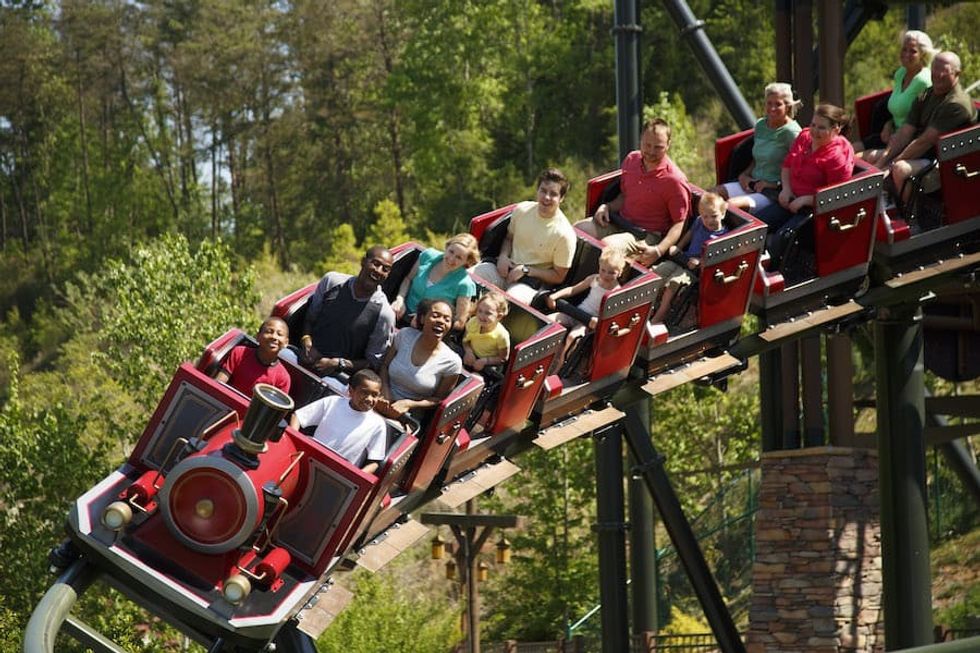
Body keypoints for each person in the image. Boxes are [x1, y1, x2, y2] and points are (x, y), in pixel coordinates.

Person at [575, 118, 691, 267]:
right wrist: (607, 207)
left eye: (658, 147)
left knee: (607, 249)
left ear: (668, 145)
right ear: (640, 140)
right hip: (621, 222)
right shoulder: (632, 160)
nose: (650, 151)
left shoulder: (675, 180)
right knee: (578, 231)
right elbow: (625, 196)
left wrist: (658, 251)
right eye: (647, 145)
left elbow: (679, 223)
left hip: (646, 235)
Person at [874, 51, 976, 203]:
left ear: (957, 73)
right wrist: (880, 164)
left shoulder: (956, 104)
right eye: (935, 68)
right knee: (873, 157)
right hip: (922, 153)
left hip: (943, 162)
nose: (938, 74)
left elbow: (925, 142)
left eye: (944, 70)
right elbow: (905, 131)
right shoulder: (928, 94)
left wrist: (891, 164)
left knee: (900, 169)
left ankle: (910, 217)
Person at [283, 246, 396, 377]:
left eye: (385, 269)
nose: (379, 271)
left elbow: (372, 362)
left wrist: (338, 364)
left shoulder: (384, 314)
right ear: (363, 261)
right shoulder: (331, 281)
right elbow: (309, 318)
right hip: (305, 357)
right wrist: (306, 341)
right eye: (376, 264)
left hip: (338, 378)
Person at [471, 168, 576, 305]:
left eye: (553, 194)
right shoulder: (522, 210)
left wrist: (526, 271)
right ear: (537, 191)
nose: (547, 198)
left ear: (561, 198)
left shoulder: (565, 234)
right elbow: (509, 238)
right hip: (504, 270)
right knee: (469, 278)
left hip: (530, 284)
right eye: (543, 191)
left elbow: (558, 276)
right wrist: (503, 256)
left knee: (509, 302)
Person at [755, 104, 855, 236]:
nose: (814, 131)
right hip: (790, 198)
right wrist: (786, 189)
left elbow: (835, 196)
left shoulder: (836, 158)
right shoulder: (804, 137)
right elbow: (787, 165)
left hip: (813, 211)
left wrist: (806, 200)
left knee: (782, 239)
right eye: (813, 125)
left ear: (835, 130)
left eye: (821, 128)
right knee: (758, 225)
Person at [714, 83, 803, 212]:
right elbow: (757, 158)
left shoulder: (792, 133)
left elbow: (799, 169)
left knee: (729, 207)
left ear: (788, 106)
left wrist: (773, 185)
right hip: (752, 183)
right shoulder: (761, 125)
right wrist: (744, 175)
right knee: (711, 197)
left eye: (778, 104)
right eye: (769, 103)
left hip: (771, 192)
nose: (772, 108)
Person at [649, 192, 729, 324]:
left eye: (714, 216)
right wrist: (678, 247)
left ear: (723, 214)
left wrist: (700, 262)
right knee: (658, 272)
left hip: (693, 270)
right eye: (705, 217)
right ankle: (650, 306)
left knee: (674, 283)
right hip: (682, 259)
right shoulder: (699, 222)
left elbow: (716, 259)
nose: (709, 220)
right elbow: (690, 234)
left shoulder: (722, 237)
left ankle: (661, 312)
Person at [288, 369, 387, 474]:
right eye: (364, 393)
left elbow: (374, 462)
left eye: (374, 395)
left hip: (338, 475)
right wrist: (295, 445)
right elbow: (298, 417)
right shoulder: (333, 402)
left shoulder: (378, 424)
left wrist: (356, 477)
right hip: (307, 460)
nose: (369, 399)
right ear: (351, 391)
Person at [379, 298, 463, 420]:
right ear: (423, 318)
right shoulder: (405, 335)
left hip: (409, 416)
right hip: (382, 397)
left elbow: (438, 399)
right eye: (436, 316)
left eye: (447, 319)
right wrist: (384, 390)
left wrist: (409, 404)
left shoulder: (452, 362)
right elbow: (384, 366)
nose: (441, 321)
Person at [545, 247, 628, 370]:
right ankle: (549, 356)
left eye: (611, 273)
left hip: (588, 321)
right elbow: (573, 289)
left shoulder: (616, 292)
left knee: (573, 337)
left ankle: (559, 367)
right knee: (548, 321)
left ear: (620, 272)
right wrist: (555, 296)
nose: (605, 275)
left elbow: (613, 316)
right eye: (603, 270)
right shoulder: (594, 279)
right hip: (577, 312)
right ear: (599, 267)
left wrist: (599, 321)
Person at [860, 30, 935, 157]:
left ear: (923, 54)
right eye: (904, 49)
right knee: (850, 150)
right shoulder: (901, 73)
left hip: (906, 142)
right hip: (890, 133)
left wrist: (899, 136)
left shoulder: (924, 81)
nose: (906, 54)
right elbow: (898, 107)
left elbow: (924, 120)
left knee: (861, 158)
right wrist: (889, 123)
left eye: (913, 51)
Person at [391, 233, 479, 332]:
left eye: (459, 257)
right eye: (451, 252)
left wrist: (428, 322)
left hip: (428, 330)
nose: (451, 259)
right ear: (447, 247)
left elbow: (460, 322)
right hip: (401, 313)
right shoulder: (427, 256)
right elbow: (408, 279)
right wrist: (400, 299)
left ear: (467, 262)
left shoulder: (465, 284)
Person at [215, 317, 292, 396]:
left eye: (279, 334)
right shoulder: (239, 353)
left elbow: (274, 407)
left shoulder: (283, 378)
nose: (274, 337)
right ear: (258, 336)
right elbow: (218, 384)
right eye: (269, 332)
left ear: (286, 343)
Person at [462, 291, 511, 375]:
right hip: (472, 356)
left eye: (488, 313)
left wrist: (485, 361)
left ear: (499, 316)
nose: (481, 316)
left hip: (490, 365)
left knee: (476, 378)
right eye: (480, 311)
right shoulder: (473, 322)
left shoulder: (502, 335)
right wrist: (468, 352)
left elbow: (503, 358)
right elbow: (465, 340)